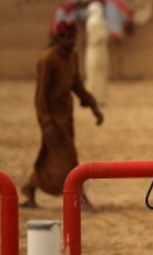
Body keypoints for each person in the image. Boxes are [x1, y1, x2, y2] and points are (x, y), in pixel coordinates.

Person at [20, 19, 104, 209]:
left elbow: (77, 85)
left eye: (74, 37)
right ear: (58, 37)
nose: (72, 41)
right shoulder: (47, 60)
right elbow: (40, 96)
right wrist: (47, 122)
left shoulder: (72, 56)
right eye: (68, 37)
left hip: (66, 115)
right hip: (52, 118)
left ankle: (30, 188)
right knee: (68, 157)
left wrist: (93, 106)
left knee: (48, 155)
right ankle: (79, 196)